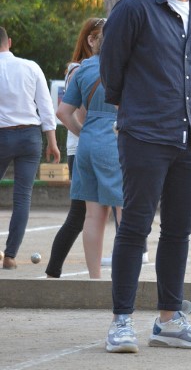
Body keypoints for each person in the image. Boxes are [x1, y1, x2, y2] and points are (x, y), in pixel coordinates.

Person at [99, 0, 191, 353]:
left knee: (179, 232)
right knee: (134, 227)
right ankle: (121, 323)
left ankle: (169, 320)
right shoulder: (134, 8)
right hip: (145, 136)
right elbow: (111, 70)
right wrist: (138, 110)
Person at [56, 22, 124, 279]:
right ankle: (122, 278)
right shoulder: (124, 67)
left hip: (88, 142)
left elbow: (63, 112)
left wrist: (83, 133)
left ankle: (94, 277)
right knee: (123, 214)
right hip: (115, 139)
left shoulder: (83, 69)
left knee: (93, 216)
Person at [0, 26, 61, 270]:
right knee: (22, 196)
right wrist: (53, 143)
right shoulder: (31, 67)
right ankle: (10, 256)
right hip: (29, 136)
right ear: (10, 42)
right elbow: (46, 107)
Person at [45, 18, 99, 278]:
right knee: (79, 215)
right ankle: (54, 270)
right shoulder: (80, 69)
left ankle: (56, 270)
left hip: (85, 148)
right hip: (82, 150)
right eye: (102, 36)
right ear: (91, 39)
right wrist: (84, 134)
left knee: (86, 215)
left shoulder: (91, 68)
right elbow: (75, 112)